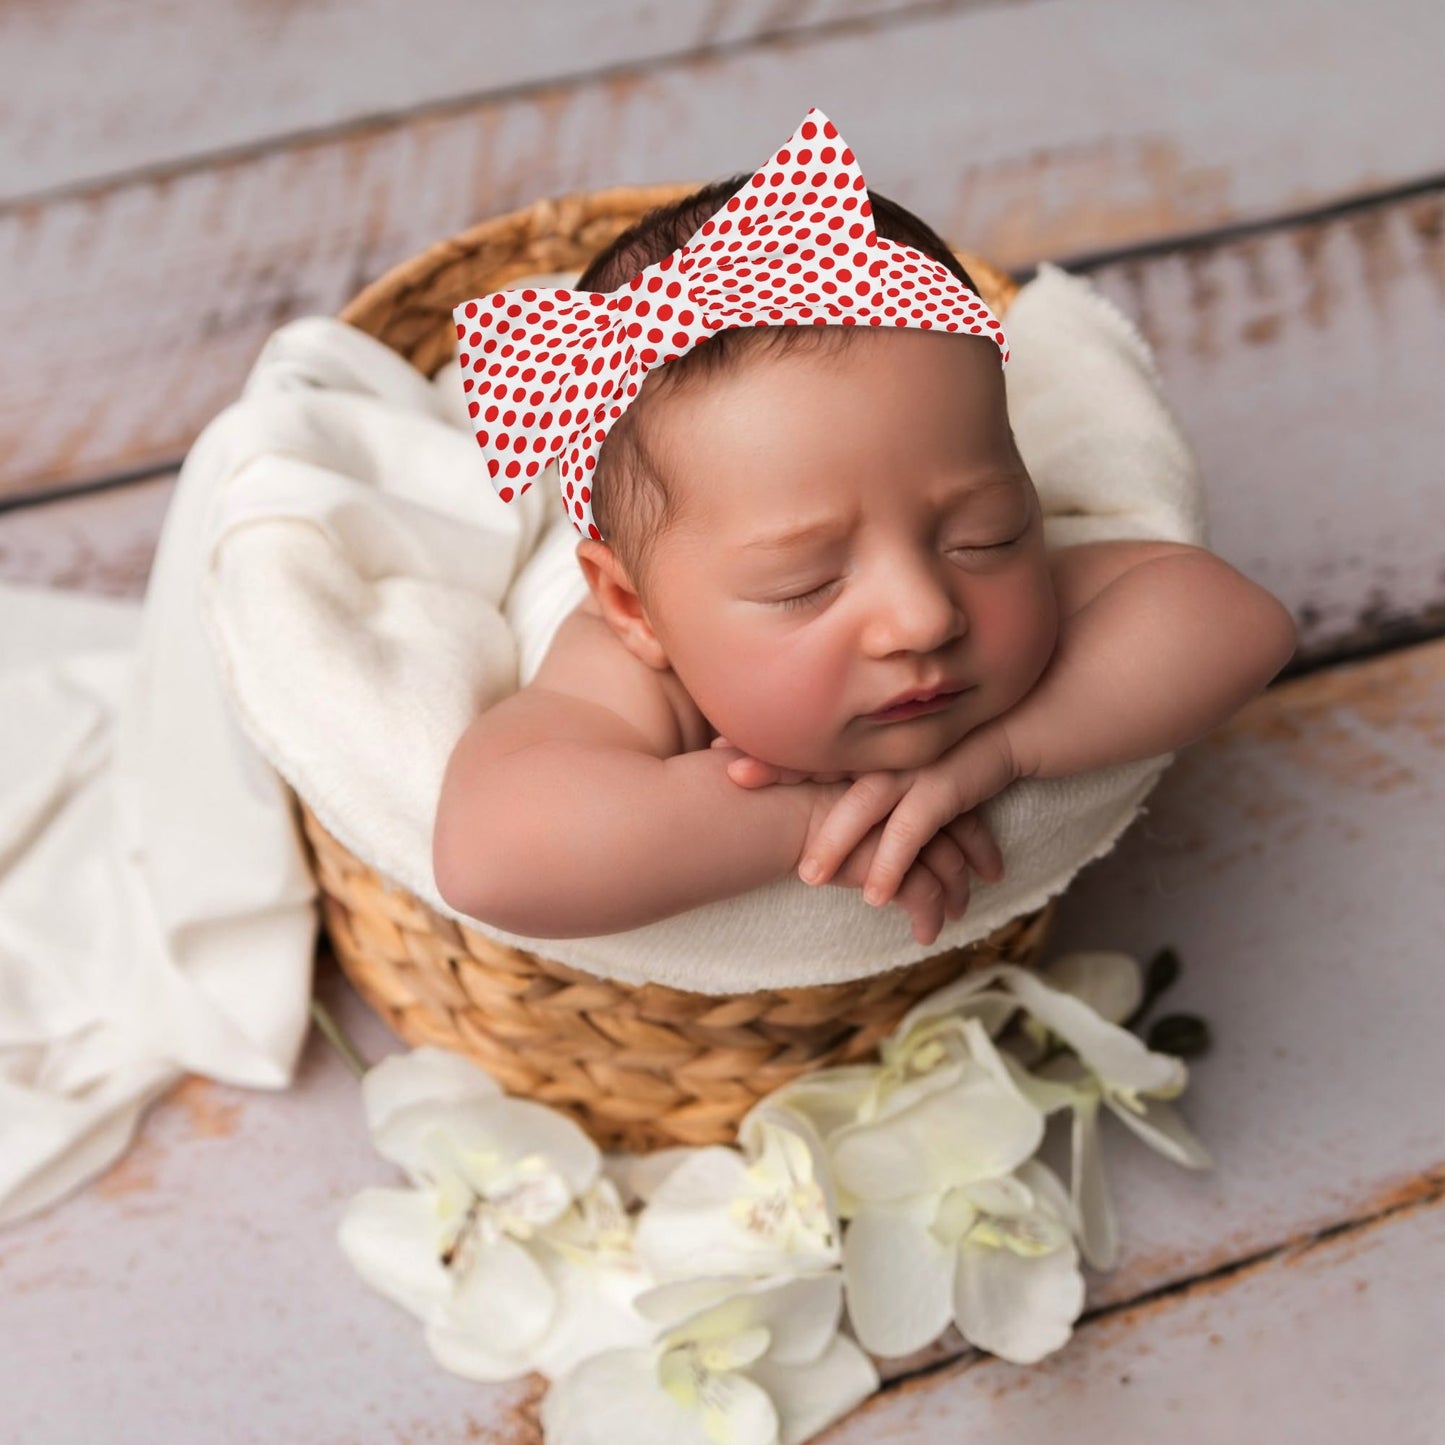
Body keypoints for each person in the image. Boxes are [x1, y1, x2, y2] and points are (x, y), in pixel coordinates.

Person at [432, 173, 1297, 947]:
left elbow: (1234, 620)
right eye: (803, 585)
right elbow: (491, 857)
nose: (925, 613)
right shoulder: (622, 668)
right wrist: (813, 816)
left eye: (984, 532)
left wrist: (998, 753)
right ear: (634, 609)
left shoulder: (990, 587)